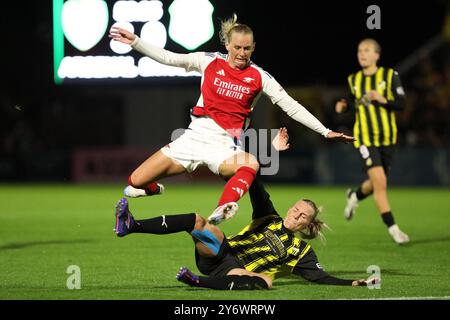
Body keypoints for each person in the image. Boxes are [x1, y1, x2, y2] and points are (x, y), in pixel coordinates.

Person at [109, 14, 354, 225]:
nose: (241, 53)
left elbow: (291, 106)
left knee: (250, 164)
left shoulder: (260, 77)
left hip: (224, 146)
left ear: (254, 47)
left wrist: (325, 131)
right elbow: (170, 58)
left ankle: (224, 207)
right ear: (227, 44)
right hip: (192, 139)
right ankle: (154, 189)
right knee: (134, 182)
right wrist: (136, 42)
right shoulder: (208, 61)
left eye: (247, 48)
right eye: (237, 47)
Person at [113, 129, 377, 290]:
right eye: (296, 208)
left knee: (266, 281)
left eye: (302, 216)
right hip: (219, 253)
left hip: (235, 271)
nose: (296, 214)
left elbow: (320, 278)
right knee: (198, 221)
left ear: (307, 225)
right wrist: (273, 150)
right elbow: (253, 180)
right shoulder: (269, 216)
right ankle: (131, 226)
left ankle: (195, 281)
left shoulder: (302, 252)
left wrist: (353, 282)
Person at [335, 38, 409, 244]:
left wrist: (383, 99)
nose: (362, 54)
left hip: (388, 138)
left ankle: (354, 197)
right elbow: (350, 102)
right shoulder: (354, 79)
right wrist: (342, 107)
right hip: (365, 138)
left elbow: (402, 104)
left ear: (377, 55)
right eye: (359, 50)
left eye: (367, 50)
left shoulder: (390, 75)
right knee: (381, 184)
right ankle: (393, 228)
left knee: (377, 182)